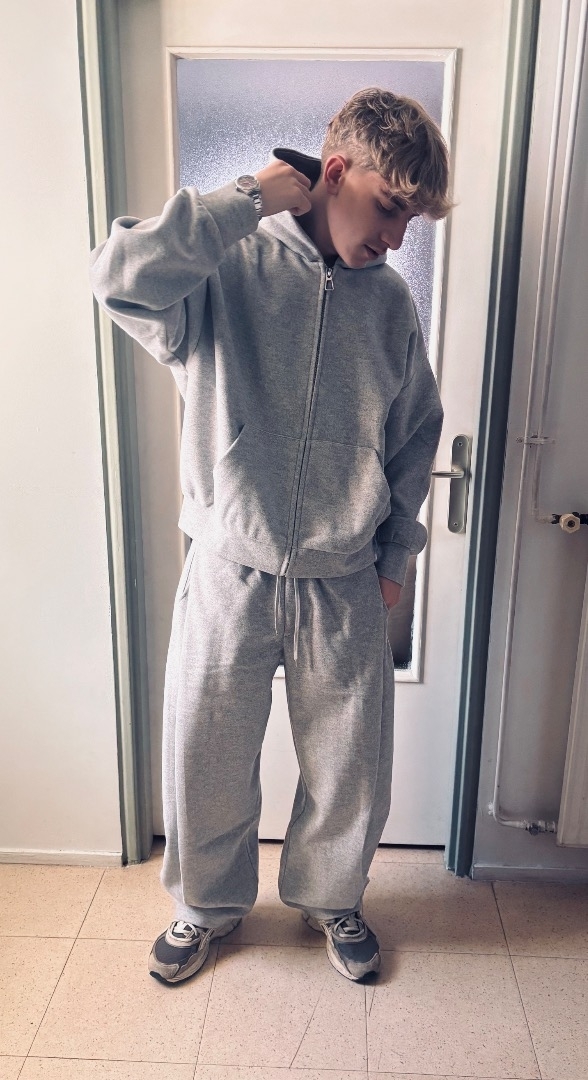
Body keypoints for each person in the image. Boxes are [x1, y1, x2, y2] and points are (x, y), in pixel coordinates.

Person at [90, 87, 450, 985]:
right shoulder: (228, 265)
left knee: (350, 763)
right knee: (205, 751)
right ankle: (205, 907)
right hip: (230, 563)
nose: (396, 236)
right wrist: (246, 199)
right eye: (389, 207)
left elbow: (414, 436)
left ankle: (332, 898)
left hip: (344, 572)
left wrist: (395, 558)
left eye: (410, 220)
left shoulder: (391, 306)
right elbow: (118, 277)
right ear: (336, 172)